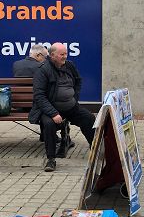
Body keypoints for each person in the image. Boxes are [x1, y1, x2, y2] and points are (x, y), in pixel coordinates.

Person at [29, 42, 95, 172]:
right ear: (52, 55)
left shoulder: (69, 65)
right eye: (61, 54)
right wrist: (53, 113)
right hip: (51, 109)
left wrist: (74, 99)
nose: (65, 56)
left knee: (89, 118)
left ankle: (95, 148)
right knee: (48, 125)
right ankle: (51, 159)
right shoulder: (43, 70)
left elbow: (78, 80)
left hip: (70, 107)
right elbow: (39, 96)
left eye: (66, 53)